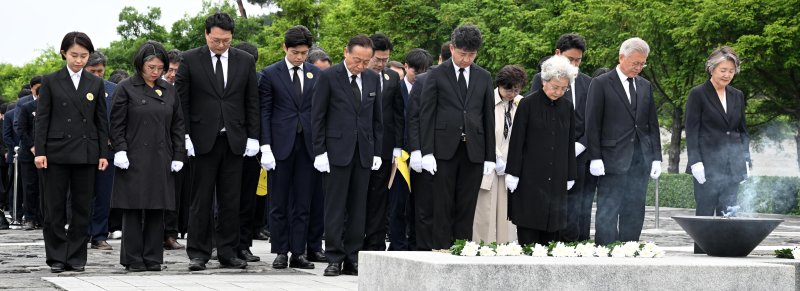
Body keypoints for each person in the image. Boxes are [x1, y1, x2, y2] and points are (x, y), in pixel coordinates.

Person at [175, 12, 260, 271]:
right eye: (216, 40)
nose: (221, 45)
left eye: (226, 40)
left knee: (231, 198)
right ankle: (199, 253)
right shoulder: (190, 59)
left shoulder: (244, 61)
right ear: (206, 35)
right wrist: (185, 135)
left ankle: (228, 251)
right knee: (201, 198)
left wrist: (254, 136)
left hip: (234, 139)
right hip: (202, 139)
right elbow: (182, 102)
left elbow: (251, 101)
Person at [34, 31, 110, 273]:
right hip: (55, 152)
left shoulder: (95, 83)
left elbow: (101, 122)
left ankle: (76, 256)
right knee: (54, 207)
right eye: (74, 55)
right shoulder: (51, 80)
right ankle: (56, 256)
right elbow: (42, 119)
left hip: (86, 152)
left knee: (82, 206)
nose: (79, 61)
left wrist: (102, 153)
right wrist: (40, 151)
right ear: (64, 53)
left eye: (84, 56)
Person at [109, 41, 185, 272]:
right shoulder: (126, 87)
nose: (155, 71)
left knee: (156, 207)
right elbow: (116, 123)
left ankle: (153, 258)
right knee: (133, 208)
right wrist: (120, 149)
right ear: (140, 65)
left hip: (161, 155)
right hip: (133, 155)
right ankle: (132, 259)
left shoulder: (169, 89)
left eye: (160, 67)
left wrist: (178, 153)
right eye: (151, 66)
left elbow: (178, 124)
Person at [419, 25, 496, 249]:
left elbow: (488, 117)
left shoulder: (484, 76)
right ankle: (441, 246)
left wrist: (489, 156)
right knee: (442, 202)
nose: (466, 59)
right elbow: (427, 115)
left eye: (471, 55)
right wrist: (427, 151)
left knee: (467, 202)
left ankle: (462, 246)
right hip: (443, 148)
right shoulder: (436, 74)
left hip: (473, 149)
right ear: (452, 48)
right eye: (462, 54)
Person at [311, 34, 383, 276]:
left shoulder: (373, 78)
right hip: (335, 153)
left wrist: (377, 151)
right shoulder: (329, 77)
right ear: (345, 52)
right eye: (356, 60)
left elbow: (377, 119)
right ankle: (334, 257)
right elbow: (317, 116)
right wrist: (319, 151)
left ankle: (353, 257)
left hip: (363, 152)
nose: (360, 66)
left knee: (358, 207)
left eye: (365, 61)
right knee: (335, 207)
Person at [586, 37, 662, 245]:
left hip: (640, 160)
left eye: (642, 63)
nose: (639, 68)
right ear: (621, 57)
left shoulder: (645, 86)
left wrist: (656, 157)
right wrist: (595, 157)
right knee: (609, 208)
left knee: (635, 208)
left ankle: (629, 249)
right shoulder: (601, 83)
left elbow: (651, 124)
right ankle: (606, 250)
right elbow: (592, 123)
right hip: (611, 159)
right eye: (635, 63)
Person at [259, 25, 321, 269]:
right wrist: (265, 145)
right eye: (295, 52)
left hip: (307, 145)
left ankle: (299, 251)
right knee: (278, 201)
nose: (300, 57)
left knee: (303, 201)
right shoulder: (270, 73)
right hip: (279, 145)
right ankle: (280, 251)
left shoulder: (316, 74)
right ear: (285, 48)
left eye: (304, 53)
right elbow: (264, 111)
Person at [528, 33, 594, 242]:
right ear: (558, 54)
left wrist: (581, 145)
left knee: (580, 206)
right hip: (551, 155)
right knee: (553, 204)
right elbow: (536, 117)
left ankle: (579, 245)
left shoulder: (588, 83)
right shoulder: (542, 79)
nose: (575, 64)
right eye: (570, 59)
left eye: (578, 60)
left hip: (579, 155)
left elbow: (592, 119)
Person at [685, 46, 750, 253]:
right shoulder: (698, 94)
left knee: (729, 213)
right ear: (712, 68)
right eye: (723, 70)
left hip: (733, 165)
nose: (727, 75)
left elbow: (742, 130)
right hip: (706, 165)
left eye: (731, 70)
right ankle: (702, 257)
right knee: (705, 213)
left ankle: (725, 253)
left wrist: (746, 160)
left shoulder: (737, 95)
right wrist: (695, 162)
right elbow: (692, 130)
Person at [505, 56, 577, 245]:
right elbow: (517, 141)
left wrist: (570, 174)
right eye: (555, 87)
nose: (559, 92)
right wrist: (513, 172)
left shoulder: (567, 107)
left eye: (564, 88)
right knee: (529, 227)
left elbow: (570, 142)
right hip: (530, 178)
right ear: (545, 81)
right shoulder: (527, 104)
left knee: (553, 232)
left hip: (557, 178)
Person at [472, 64, 526, 244]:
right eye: (507, 89)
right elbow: (483, 131)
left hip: (511, 166)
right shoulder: (487, 100)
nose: (511, 93)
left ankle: (506, 247)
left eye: (516, 90)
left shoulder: (520, 104)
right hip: (489, 162)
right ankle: (483, 246)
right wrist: (495, 156)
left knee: (506, 213)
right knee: (485, 210)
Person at [388, 48, 433, 251]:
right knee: (397, 202)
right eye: (416, 72)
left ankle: (416, 243)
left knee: (420, 203)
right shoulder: (395, 89)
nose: (419, 77)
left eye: (424, 72)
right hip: (400, 155)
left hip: (422, 154)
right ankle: (397, 244)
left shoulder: (429, 89)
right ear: (406, 67)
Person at [363, 33, 404, 252]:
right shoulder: (357, 77)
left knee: (380, 198)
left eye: (385, 59)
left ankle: (375, 244)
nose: (381, 64)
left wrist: (397, 145)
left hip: (385, 148)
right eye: (377, 59)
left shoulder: (392, 78)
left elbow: (398, 114)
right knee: (359, 197)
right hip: (360, 146)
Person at [232, 41, 265, 264]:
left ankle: (243, 245)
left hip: (251, 148)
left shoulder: (261, 81)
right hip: (228, 144)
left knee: (247, 200)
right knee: (224, 199)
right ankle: (223, 242)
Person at [83, 51, 118, 250]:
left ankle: (99, 234)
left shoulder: (113, 90)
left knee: (104, 195)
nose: (97, 75)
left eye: (100, 71)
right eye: (92, 71)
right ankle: (82, 232)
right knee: (82, 194)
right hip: (82, 149)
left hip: (108, 150)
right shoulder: (75, 88)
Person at [14, 76, 42, 231]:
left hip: (47, 153)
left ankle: (42, 217)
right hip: (28, 152)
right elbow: (20, 128)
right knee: (29, 186)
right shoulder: (26, 107)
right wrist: (31, 145)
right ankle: (30, 218)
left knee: (44, 188)